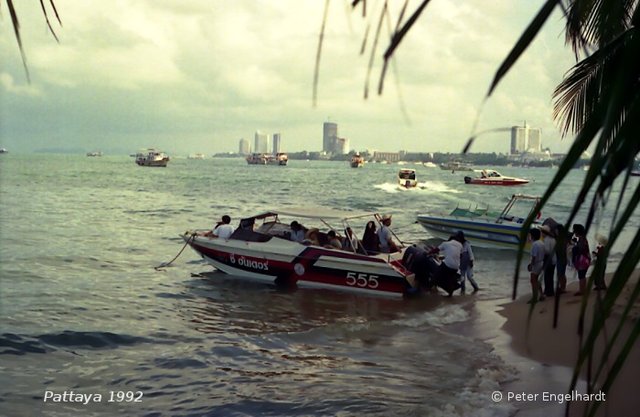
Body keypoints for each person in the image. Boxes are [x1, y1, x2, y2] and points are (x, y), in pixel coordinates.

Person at [572, 223, 591, 296]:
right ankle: (583, 289)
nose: (574, 232)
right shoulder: (583, 238)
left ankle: (581, 290)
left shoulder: (582, 239)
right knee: (582, 275)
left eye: (574, 231)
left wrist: (574, 247)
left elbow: (580, 249)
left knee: (581, 275)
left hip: (583, 259)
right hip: (586, 258)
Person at [527, 228, 545, 303]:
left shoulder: (535, 244)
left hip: (536, 263)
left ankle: (534, 297)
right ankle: (541, 295)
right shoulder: (541, 242)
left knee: (533, 280)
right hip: (541, 262)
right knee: (536, 280)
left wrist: (531, 265)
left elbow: (534, 256)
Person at [540, 224, 557, 297]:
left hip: (548, 260)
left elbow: (547, 251)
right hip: (553, 260)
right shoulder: (553, 239)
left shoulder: (547, 240)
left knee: (547, 276)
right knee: (551, 276)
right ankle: (550, 291)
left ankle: (548, 291)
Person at [554, 224, 569, 294]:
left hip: (561, 258)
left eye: (556, 230)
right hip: (563, 258)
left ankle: (563, 288)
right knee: (561, 274)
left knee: (560, 274)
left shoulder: (561, 239)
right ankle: (563, 287)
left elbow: (561, 249)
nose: (555, 231)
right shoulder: (563, 238)